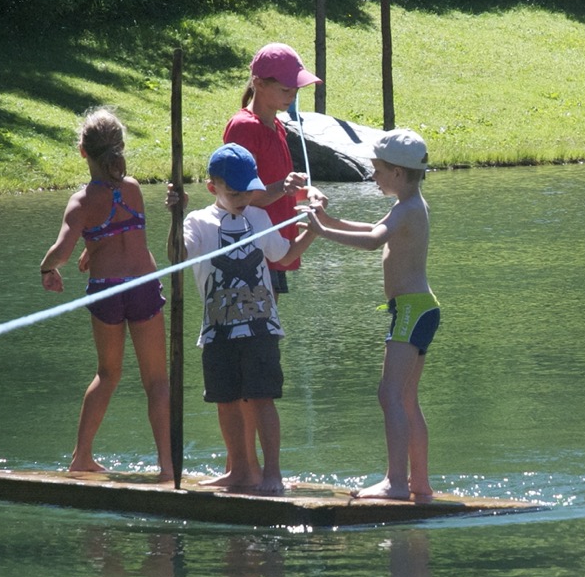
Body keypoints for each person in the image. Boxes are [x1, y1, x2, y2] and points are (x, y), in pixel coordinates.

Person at [39, 108, 174, 481]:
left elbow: (61, 251)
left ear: (82, 151)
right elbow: (122, 232)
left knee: (108, 374)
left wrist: (47, 267)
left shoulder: (81, 202)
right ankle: (167, 467)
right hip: (143, 286)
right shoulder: (132, 189)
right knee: (157, 382)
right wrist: (93, 248)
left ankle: (82, 456)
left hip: (107, 293)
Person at [303, 128, 437, 503]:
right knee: (406, 398)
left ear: (397, 173)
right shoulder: (409, 205)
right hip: (419, 309)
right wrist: (327, 220)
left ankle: (396, 482)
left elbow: (374, 240)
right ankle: (419, 483)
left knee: (389, 394)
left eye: (377, 170)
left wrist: (322, 233)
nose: (373, 176)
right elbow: (371, 228)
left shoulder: (408, 209)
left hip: (411, 310)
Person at [184, 143, 314, 493]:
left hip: (261, 326)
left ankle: (272, 473)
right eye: (234, 192)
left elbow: (285, 256)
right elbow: (176, 255)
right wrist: (173, 215)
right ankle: (240, 470)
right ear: (213, 188)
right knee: (224, 401)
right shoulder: (197, 221)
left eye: (249, 190)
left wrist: (312, 229)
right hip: (217, 329)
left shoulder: (259, 217)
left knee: (262, 397)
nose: (243, 198)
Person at [224, 42, 318, 296]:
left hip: (274, 245)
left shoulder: (276, 125)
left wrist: (304, 194)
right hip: (251, 249)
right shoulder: (243, 127)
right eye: (286, 89)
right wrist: (282, 187)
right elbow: (237, 196)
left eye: (296, 90)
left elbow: (276, 188)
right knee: (256, 329)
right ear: (259, 83)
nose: (293, 95)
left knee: (268, 328)